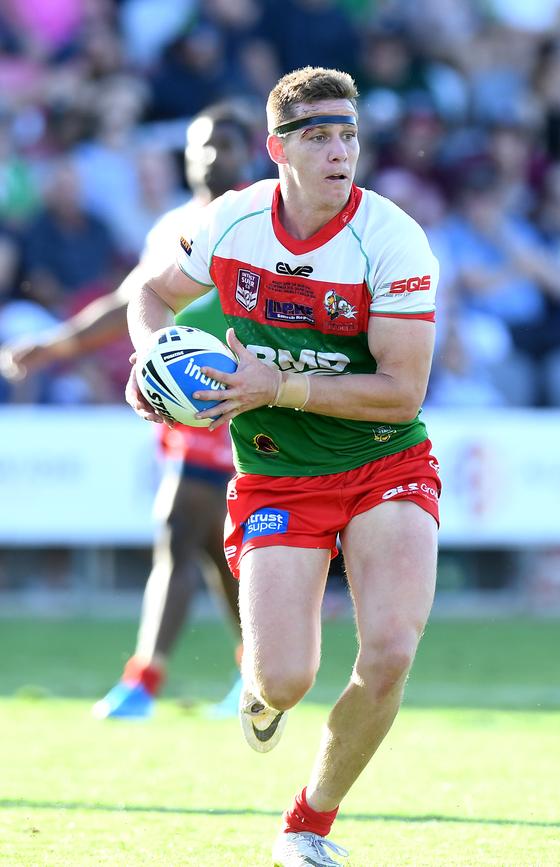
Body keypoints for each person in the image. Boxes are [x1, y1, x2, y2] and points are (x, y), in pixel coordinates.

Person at [126, 67, 440, 866]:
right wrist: (151, 362)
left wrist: (281, 384)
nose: (340, 152)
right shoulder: (230, 221)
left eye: (348, 136)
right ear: (277, 150)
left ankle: (308, 822)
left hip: (384, 464)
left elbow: (402, 393)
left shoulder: (394, 238)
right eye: (318, 137)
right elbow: (153, 294)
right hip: (276, 475)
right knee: (286, 679)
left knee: (391, 652)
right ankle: (265, 696)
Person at [0, 101, 258, 719]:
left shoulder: (262, 221)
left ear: (252, 152)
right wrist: (59, 344)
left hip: (245, 402)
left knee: (185, 531)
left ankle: (148, 682)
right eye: (199, 144)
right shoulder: (175, 224)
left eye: (224, 143)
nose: (209, 156)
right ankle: (250, 672)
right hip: (191, 401)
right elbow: (129, 302)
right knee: (204, 542)